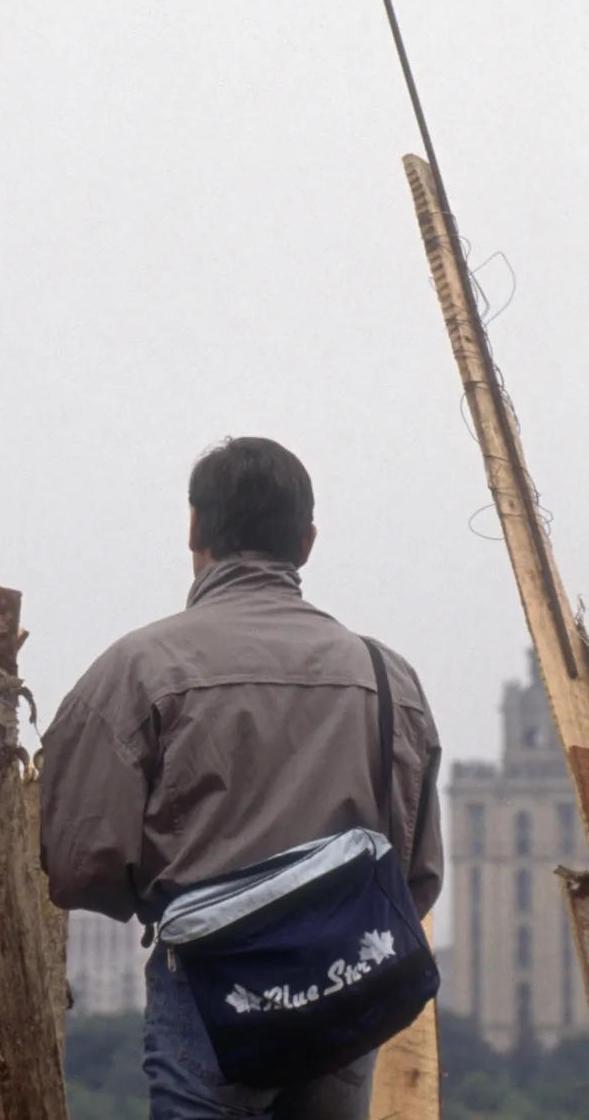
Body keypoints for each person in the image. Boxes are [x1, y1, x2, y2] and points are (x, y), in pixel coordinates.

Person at [39, 437, 443, 1120]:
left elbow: (75, 864)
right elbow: (417, 873)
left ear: (193, 527)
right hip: (347, 987)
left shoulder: (139, 669)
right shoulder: (387, 677)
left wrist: (173, 900)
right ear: (307, 542)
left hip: (208, 988)